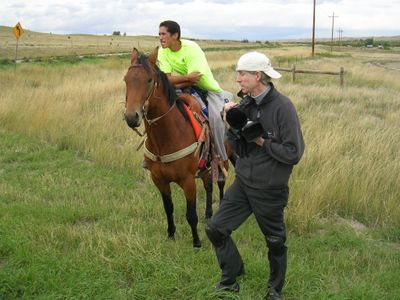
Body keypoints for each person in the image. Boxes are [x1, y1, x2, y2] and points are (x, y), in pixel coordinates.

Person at [205, 51, 305, 300]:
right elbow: (238, 148)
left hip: (270, 188)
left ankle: (274, 289)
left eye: (242, 73)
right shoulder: (245, 104)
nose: (237, 79)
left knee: (274, 241)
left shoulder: (283, 107)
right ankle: (231, 278)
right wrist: (231, 125)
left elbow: (293, 153)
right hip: (244, 183)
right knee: (216, 228)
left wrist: (262, 140)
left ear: (257, 75)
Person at [157, 20, 233, 165]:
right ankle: (152, 156)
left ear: (175, 35)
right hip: (182, 87)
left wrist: (173, 80)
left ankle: (219, 155)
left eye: (164, 34)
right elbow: (166, 79)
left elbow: (195, 79)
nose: (161, 37)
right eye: (159, 34)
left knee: (216, 120)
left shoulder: (191, 48)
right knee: (157, 108)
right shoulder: (162, 51)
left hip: (207, 88)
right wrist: (183, 78)